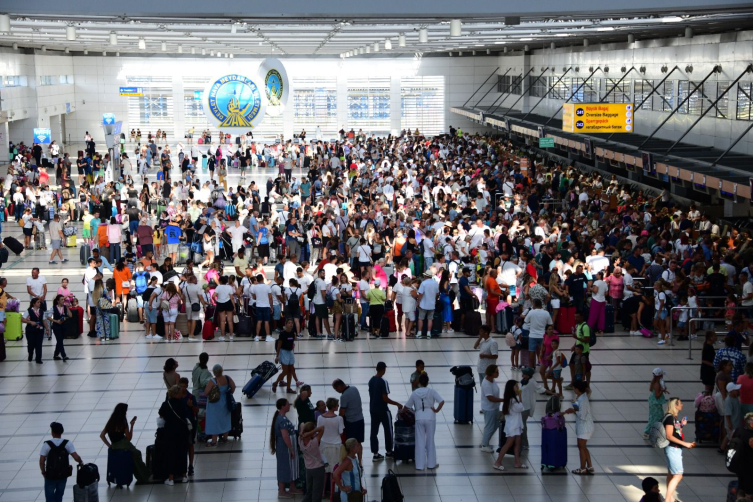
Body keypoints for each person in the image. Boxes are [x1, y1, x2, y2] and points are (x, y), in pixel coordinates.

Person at [98, 403, 150, 483]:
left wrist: (110, 445)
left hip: (114, 445)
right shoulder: (123, 422)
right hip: (123, 444)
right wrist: (132, 425)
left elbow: (102, 435)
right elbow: (128, 438)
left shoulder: (110, 422)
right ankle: (145, 475)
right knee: (137, 454)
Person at [404, 373, 444, 470]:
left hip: (419, 417)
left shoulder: (415, 393)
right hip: (430, 417)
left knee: (420, 441)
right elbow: (441, 401)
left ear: (419, 383)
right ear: (427, 382)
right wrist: (436, 410)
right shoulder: (431, 391)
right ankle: (431, 464)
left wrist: (401, 412)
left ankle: (420, 465)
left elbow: (406, 406)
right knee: (430, 440)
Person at [661, 397, 696, 502]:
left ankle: (670, 497)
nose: (682, 405)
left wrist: (681, 425)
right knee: (678, 475)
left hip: (673, 449)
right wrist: (685, 444)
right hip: (673, 449)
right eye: (680, 403)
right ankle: (668, 499)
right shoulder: (669, 418)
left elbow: (676, 433)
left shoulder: (673, 417)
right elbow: (669, 436)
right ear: (675, 405)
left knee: (671, 473)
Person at [368, 362, 403, 461]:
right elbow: (385, 398)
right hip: (383, 410)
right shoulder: (383, 382)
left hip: (373, 409)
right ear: (384, 370)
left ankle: (375, 453)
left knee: (374, 432)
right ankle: (389, 451)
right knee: (388, 430)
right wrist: (397, 403)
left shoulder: (371, 380)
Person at [39, 422, 83, 502]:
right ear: (61, 431)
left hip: (50, 475)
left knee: (49, 497)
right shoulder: (67, 443)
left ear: (52, 432)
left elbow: (42, 460)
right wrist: (81, 462)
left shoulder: (47, 444)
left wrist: (43, 472)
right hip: (63, 475)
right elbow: (76, 457)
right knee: (59, 496)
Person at [157, 386, 190, 485]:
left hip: (170, 432)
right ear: (176, 393)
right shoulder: (183, 403)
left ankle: (171, 478)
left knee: (171, 454)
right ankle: (184, 476)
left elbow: (161, 414)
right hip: (182, 431)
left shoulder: (166, 404)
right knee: (182, 453)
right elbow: (185, 415)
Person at [270, 398, 302, 499]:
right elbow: (285, 436)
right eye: (288, 405)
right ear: (283, 406)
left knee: (291, 466)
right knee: (284, 467)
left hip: (287, 446)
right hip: (284, 447)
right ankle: (282, 490)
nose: (289, 406)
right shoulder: (282, 420)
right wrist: (291, 448)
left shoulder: (282, 417)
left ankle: (292, 487)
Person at [492, 379, 528, 471]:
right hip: (513, 426)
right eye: (516, 386)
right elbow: (520, 408)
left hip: (516, 425)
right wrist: (520, 397)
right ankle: (497, 462)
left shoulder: (511, 399)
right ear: (511, 388)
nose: (518, 388)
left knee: (517, 443)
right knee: (508, 443)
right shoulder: (512, 400)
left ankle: (517, 462)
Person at [563, 380, 595, 474]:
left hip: (585, 427)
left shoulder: (583, 400)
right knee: (583, 446)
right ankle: (589, 466)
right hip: (584, 427)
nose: (573, 389)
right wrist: (574, 405)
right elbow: (578, 409)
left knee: (581, 447)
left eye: (574, 388)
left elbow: (582, 415)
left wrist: (573, 410)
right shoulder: (581, 397)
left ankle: (582, 468)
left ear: (577, 389)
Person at [204, 364, 236, 447]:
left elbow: (206, 392)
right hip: (225, 401)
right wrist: (230, 393)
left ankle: (214, 441)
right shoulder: (227, 378)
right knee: (225, 419)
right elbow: (233, 386)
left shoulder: (213, 381)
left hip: (214, 404)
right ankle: (225, 438)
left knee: (214, 421)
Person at [317, 397, 345, 491]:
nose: (338, 406)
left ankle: (323, 491)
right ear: (333, 407)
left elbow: (318, 431)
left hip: (324, 446)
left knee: (325, 471)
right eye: (337, 405)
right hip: (336, 446)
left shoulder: (320, 418)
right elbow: (341, 432)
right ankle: (332, 492)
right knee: (334, 471)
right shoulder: (339, 419)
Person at [298, 422, 326, 502]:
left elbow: (302, 424)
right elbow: (322, 427)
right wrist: (312, 432)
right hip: (318, 469)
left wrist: (303, 433)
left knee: (309, 492)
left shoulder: (300, 440)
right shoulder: (314, 442)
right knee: (317, 493)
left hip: (308, 469)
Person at [272, 318, 301, 393]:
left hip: (290, 352)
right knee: (285, 371)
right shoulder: (282, 334)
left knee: (291, 370)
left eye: (292, 323)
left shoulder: (292, 333)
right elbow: (279, 346)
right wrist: (277, 356)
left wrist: (292, 353)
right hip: (284, 352)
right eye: (289, 323)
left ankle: (288, 388)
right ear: (286, 324)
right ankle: (275, 383)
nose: (291, 324)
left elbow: (293, 343)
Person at [332, 379, 364, 443]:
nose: (337, 391)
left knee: (350, 443)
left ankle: (352, 453)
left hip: (351, 423)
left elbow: (342, 413)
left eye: (336, 389)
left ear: (339, 386)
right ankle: (360, 453)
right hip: (360, 419)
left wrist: (337, 422)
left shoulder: (344, 396)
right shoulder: (354, 388)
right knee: (358, 442)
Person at [480, 364, 503, 453]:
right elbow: (490, 398)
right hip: (489, 409)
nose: (498, 373)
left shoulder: (492, 380)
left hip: (495, 407)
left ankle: (486, 441)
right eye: (496, 372)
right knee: (489, 427)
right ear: (491, 373)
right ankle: (484, 445)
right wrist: (504, 400)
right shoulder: (486, 384)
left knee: (496, 425)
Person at [525, 298, 552, 369]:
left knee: (532, 351)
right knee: (544, 351)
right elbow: (550, 324)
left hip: (532, 335)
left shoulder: (531, 312)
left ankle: (531, 367)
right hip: (543, 336)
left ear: (534, 304)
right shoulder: (546, 313)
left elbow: (526, 321)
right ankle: (544, 366)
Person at [644, 368, 669, 437]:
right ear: (660, 376)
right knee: (656, 417)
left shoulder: (654, 382)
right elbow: (657, 395)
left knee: (655, 417)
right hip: (656, 404)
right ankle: (647, 432)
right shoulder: (657, 384)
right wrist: (662, 390)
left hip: (653, 403)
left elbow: (651, 390)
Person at [22, 297, 46, 364]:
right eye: (38, 302)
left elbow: (44, 320)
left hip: (39, 330)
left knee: (39, 345)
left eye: (40, 302)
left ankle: (38, 359)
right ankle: (30, 354)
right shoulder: (29, 311)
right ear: (33, 304)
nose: (39, 303)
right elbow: (22, 319)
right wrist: (30, 322)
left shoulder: (41, 311)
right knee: (31, 344)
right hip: (31, 331)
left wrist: (47, 328)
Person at [49, 294, 70, 361]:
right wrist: (55, 321)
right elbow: (48, 317)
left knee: (60, 340)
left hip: (64, 326)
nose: (63, 301)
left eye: (63, 299)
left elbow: (70, 315)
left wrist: (67, 308)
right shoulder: (53, 308)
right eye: (61, 299)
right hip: (56, 326)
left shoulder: (64, 307)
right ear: (58, 301)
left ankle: (56, 354)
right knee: (60, 340)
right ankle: (64, 355)